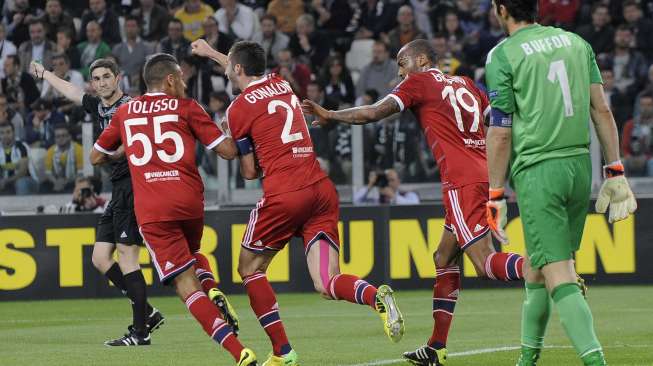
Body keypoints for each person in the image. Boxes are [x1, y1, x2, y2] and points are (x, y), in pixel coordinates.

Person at [302, 38, 528, 366]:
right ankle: (435, 347)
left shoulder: (419, 82)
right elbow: (495, 118)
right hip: (483, 172)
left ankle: (547, 270)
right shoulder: (464, 83)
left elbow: (373, 112)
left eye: (402, 62)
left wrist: (330, 114)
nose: (399, 71)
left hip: (461, 181)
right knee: (444, 256)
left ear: (421, 59)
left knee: (484, 264)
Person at [191, 39, 404, 366]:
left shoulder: (237, 109)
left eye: (230, 66)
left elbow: (249, 172)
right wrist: (210, 53)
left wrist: (235, 139)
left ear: (236, 68)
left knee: (249, 268)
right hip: (320, 190)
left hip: (285, 194)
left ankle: (282, 351)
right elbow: (242, 67)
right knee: (327, 281)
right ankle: (377, 296)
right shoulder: (281, 84)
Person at [484, 1, 637, 365]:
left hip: (539, 171)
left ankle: (595, 361)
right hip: (578, 167)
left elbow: (501, 133)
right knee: (538, 266)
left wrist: (494, 193)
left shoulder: (502, 55)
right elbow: (601, 109)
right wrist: (614, 169)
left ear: (502, 9)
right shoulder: (575, 42)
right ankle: (527, 359)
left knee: (559, 273)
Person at [90, 52, 257, 366]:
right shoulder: (188, 107)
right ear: (169, 80)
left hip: (153, 209)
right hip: (190, 202)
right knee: (192, 255)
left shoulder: (125, 112)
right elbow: (227, 152)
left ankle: (239, 351)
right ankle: (213, 289)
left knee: (184, 285)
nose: (184, 82)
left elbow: (96, 156)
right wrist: (234, 132)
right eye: (181, 77)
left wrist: (123, 152)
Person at [31, 58, 164, 346]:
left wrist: (118, 153)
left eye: (107, 77)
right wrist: (44, 74)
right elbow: (71, 90)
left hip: (133, 187)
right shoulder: (99, 105)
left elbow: (148, 138)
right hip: (118, 189)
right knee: (100, 258)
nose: (102, 82)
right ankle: (149, 314)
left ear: (118, 78)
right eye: (97, 78)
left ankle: (140, 332)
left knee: (129, 259)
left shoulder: (132, 107)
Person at [112, 16, 155, 82]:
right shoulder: (117, 48)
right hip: (121, 83)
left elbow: (149, 69)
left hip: (141, 83)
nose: (130, 29)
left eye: (133, 26)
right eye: (128, 26)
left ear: (138, 28)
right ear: (124, 28)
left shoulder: (147, 47)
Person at [42, 123, 82, 193]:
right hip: (56, 181)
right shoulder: (50, 151)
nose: (61, 138)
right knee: (43, 186)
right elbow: (48, 173)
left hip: (74, 181)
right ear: (55, 139)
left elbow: (80, 173)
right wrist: (56, 182)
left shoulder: (78, 149)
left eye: (64, 136)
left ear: (69, 137)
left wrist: (66, 182)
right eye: (58, 136)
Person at [0, 122, 37, 194]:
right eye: (2, 133)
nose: (5, 135)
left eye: (8, 132)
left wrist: (5, 181)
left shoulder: (22, 146)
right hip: (8, 183)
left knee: (21, 183)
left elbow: (23, 172)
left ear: (13, 133)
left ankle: (24, 205)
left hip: (28, 181)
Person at [621, 92, 653, 176]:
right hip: (632, 158)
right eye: (642, 105)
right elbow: (624, 147)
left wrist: (646, 158)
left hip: (650, 159)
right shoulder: (630, 124)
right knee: (620, 164)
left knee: (651, 163)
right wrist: (628, 157)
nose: (645, 108)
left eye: (649, 105)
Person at [353, 169, 420, 205]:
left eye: (392, 180)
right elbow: (356, 201)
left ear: (398, 182)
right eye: (386, 180)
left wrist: (394, 197)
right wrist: (370, 185)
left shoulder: (406, 195)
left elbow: (414, 205)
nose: (389, 183)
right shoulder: (375, 198)